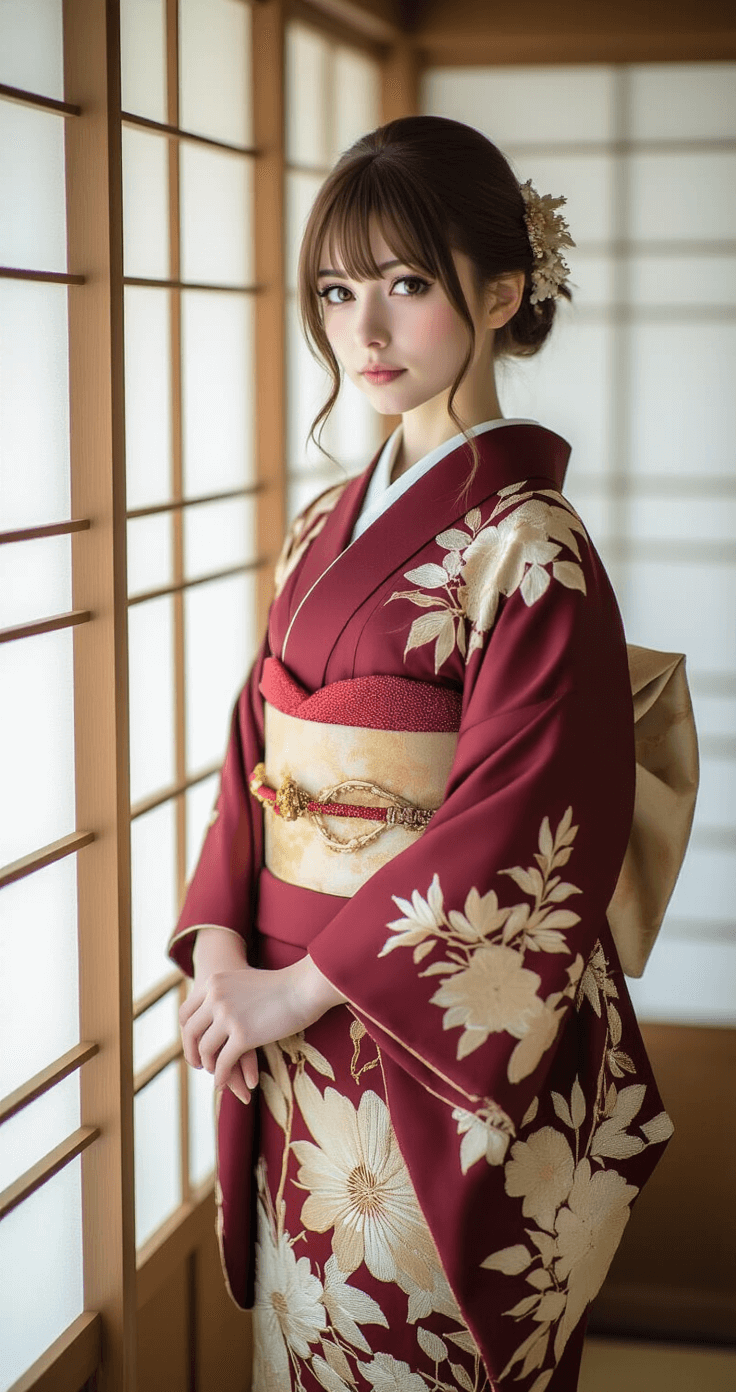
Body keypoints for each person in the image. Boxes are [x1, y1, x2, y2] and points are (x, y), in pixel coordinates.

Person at [169, 116, 685, 1392]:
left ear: (501, 292)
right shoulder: (319, 528)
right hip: (285, 1025)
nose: (366, 331)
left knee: (417, 1342)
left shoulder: (529, 547)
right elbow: (255, 750)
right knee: (308, 1339)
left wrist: (297, 990)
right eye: (338, 291)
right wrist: (227, 951)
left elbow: (526, 817)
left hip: (406, 1040)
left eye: (407, 284)